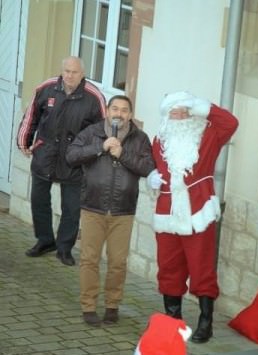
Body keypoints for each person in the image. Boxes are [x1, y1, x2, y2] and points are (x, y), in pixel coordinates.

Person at [147, 91, 238, 343]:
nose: (179, 115)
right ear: (167, 115)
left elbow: (231, 123)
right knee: (168, 268)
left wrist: (202, 107)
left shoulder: (208, 135)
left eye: (184, 110)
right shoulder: (160, 140)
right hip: (167, 213)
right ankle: (173, 321)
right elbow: (154, 168)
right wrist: (150, 179)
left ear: (193, 112)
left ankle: (205, 323)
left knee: (202, 269)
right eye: (173, 112)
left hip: (198, 212)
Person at [65, 95, 155, 326]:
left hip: (122, 211)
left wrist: (122, 154)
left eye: (124, 110)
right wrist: (100, 147)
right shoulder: (92, 133)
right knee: (89, 260)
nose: (119, 113)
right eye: (115, 108)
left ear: (130, 115)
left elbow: (147, 168)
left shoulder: (140, 138)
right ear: (107, 111)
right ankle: (88, 306)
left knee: (117, 262)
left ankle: (112, 305)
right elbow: (71, 156)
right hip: (93, 207)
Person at [16, 56, 106, 266]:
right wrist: (24, 142)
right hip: (44, 154)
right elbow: (31, 117)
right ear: (61, 70)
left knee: (71, 207)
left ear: (82, 74)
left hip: (74, 161)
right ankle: (45, 240)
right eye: (66, 71)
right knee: (39, 200)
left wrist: (90, 156)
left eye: (74, 72)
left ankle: (64, 248)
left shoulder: (94, 97)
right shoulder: (46, 88)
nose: (69, 76)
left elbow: (103, 130)